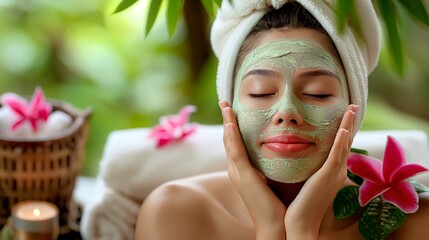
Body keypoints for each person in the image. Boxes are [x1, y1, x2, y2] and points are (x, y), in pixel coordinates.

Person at [135, 0, 429, 239]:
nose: (287, 112)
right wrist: (270, 229)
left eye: (318, 94)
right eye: (261, 93)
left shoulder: (416, 224)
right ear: (229, 108)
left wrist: (301, 230)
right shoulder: (176, 215)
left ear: (356, 108)